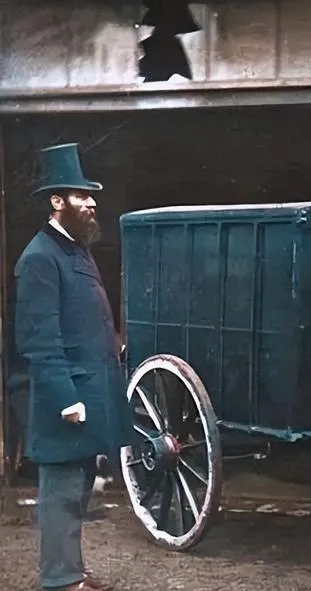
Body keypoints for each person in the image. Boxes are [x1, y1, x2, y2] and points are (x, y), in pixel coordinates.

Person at [14, 143, 134, 591]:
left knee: (78, 486)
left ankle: (72, 572)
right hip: (67, 397)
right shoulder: (39, 258)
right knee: (61, 492)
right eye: (81, 195)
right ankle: (61, 580)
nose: (91, 203)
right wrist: (66, 399)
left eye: (90, 196)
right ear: (56, 201)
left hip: (91, 391)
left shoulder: (75, 251)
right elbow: (39, 340)